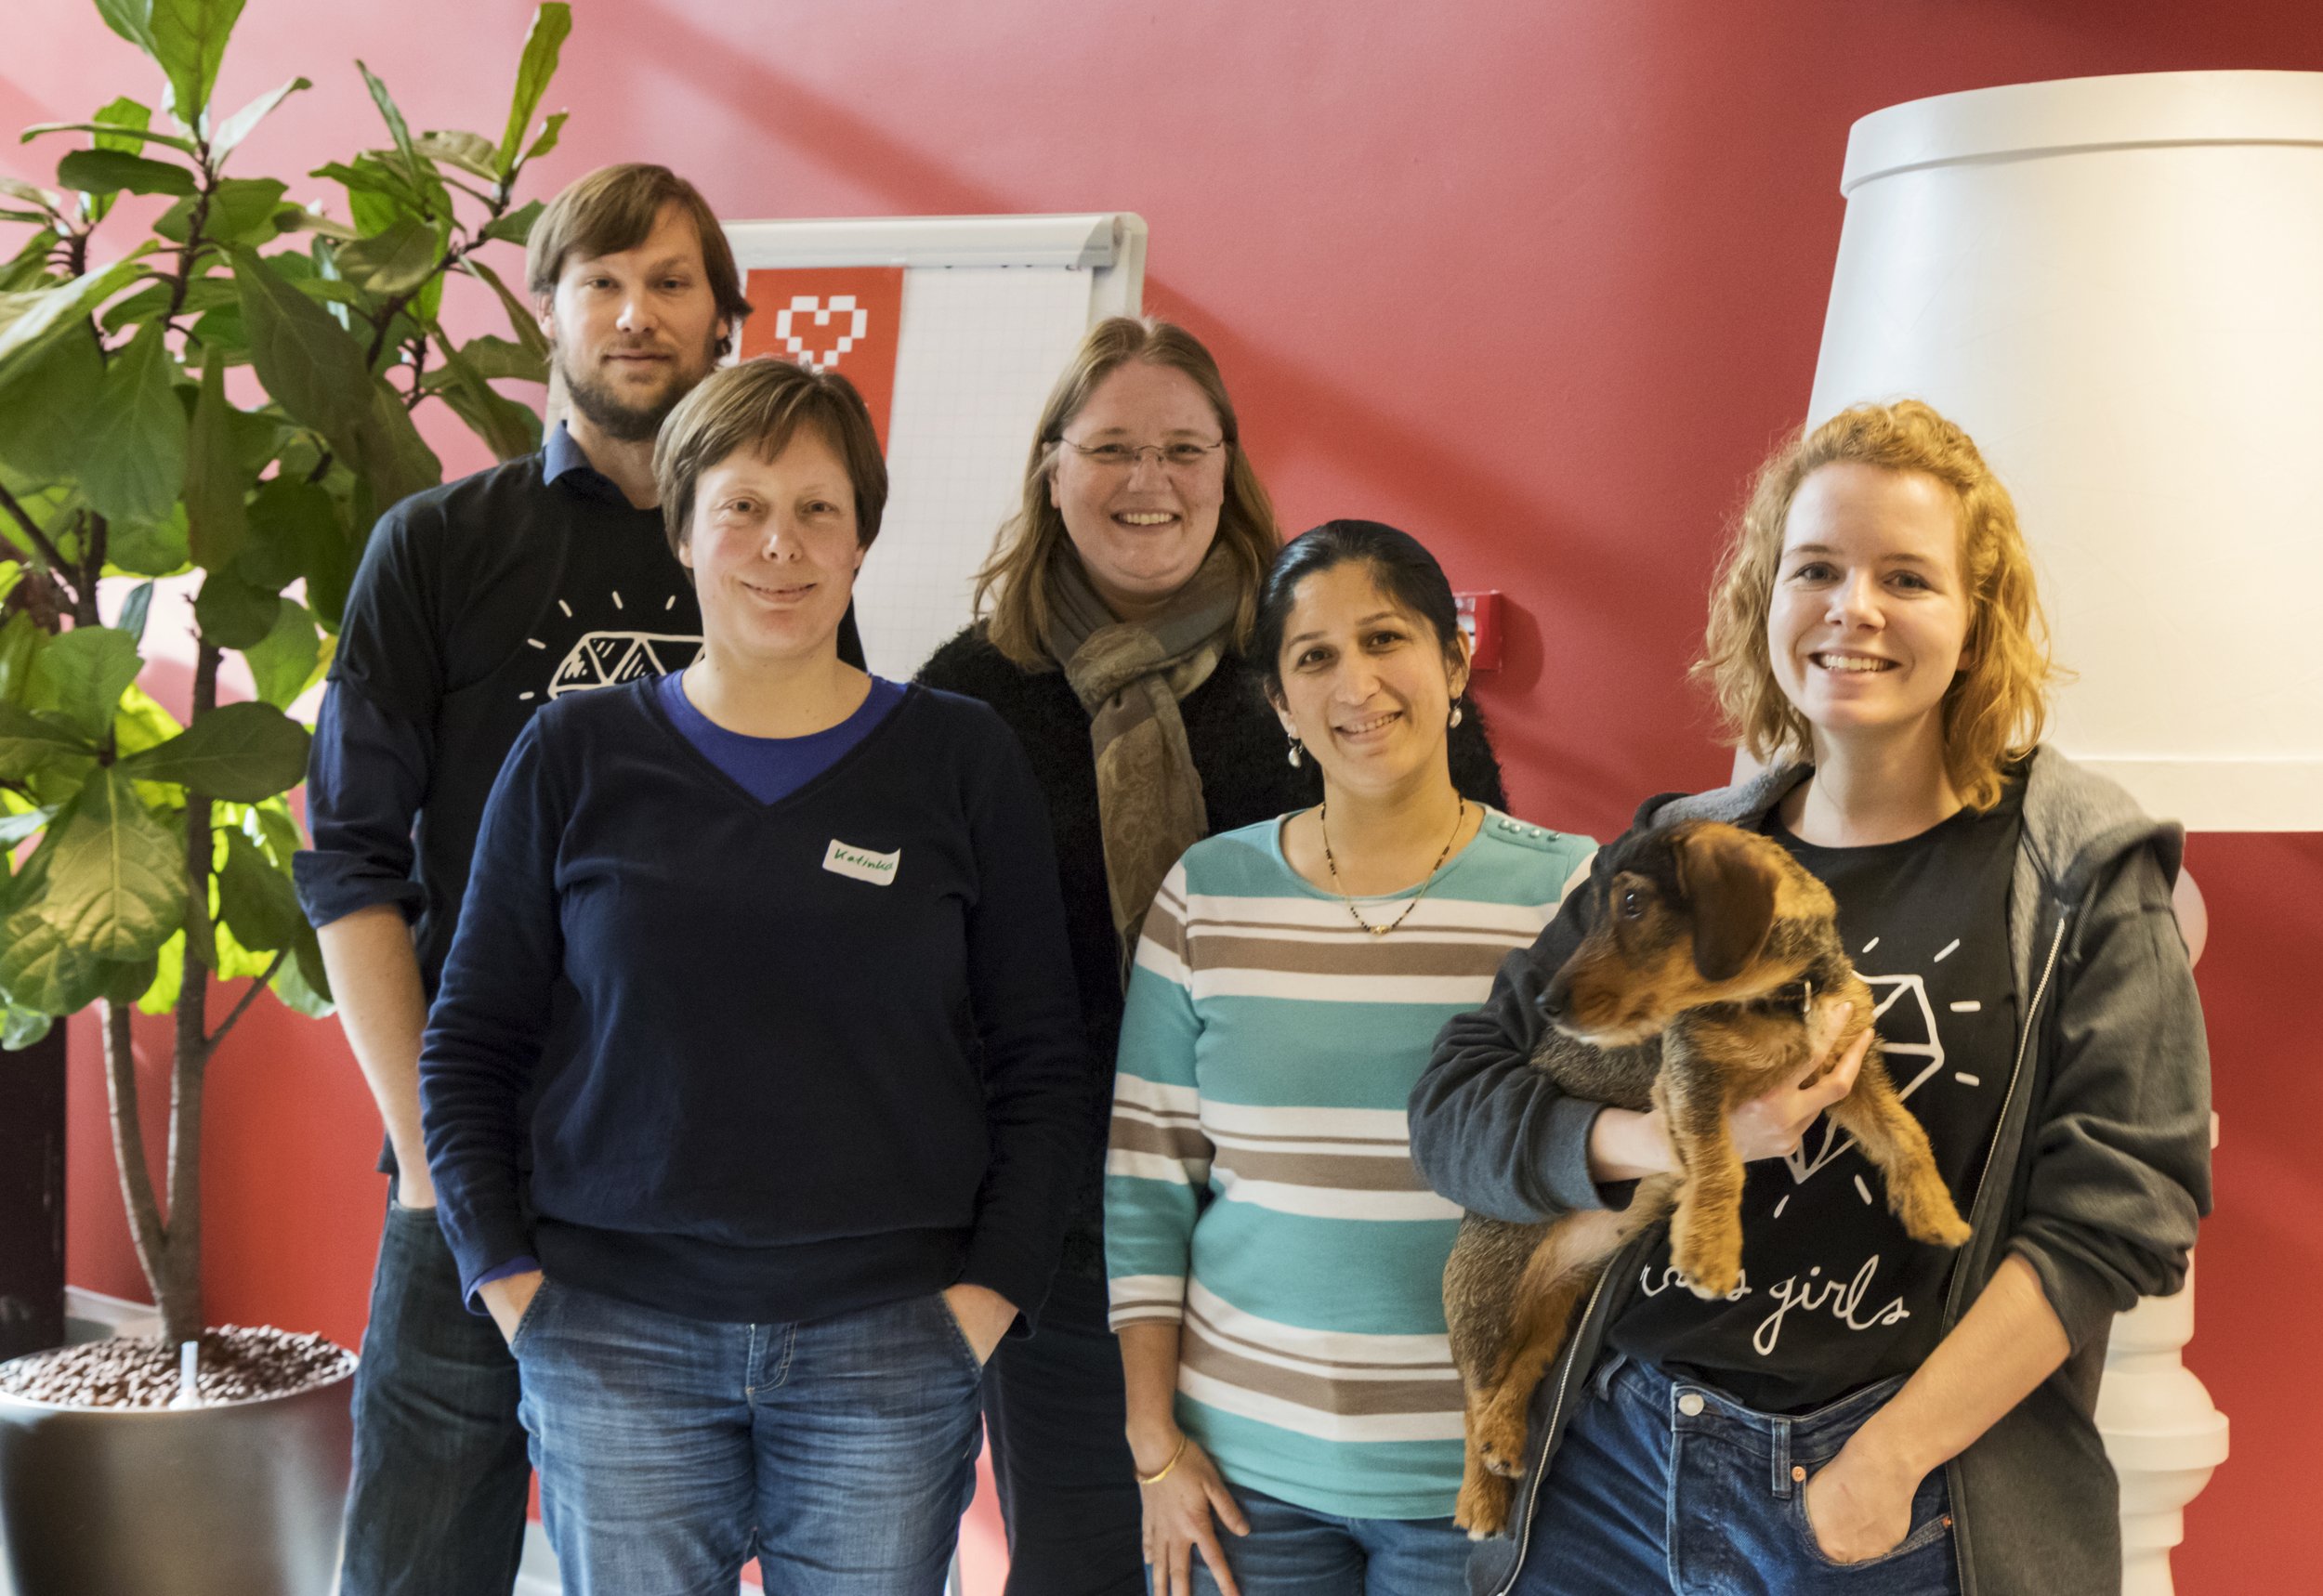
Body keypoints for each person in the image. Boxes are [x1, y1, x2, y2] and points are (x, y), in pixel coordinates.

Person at [1407, 399, 2212, 1596]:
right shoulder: (1678, 853)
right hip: (1614, 1470)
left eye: (1907, 577)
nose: (1854, 609)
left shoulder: (2077, 868)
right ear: (1765, 599)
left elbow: (2122, 1216)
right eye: (1816, 569)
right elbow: (1454, 1105)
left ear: (1974, 615)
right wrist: (1670, 1142)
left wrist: (1885, 1462)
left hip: (1896, 1497)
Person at [415, 356, 1087, 1594]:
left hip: (888, 1343)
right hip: (611, 1336)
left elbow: (1042, 1054)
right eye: (742, 505)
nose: (780, 543)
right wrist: (512, 1288)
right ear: (682, 529)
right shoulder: (573, 752)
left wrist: (987, 1296)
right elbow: (470, 1041)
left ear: (861, 538)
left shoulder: (957, 757)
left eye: (818, 508)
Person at [292, 164, 861, 1596]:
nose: (635, 314)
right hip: (468, 1136)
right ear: (545, 310)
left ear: (726, 318)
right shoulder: (435, 548)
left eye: (672, 282)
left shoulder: (773, 555)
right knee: (423, 1545)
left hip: (686, 1156)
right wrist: (429, 1156)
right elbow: (351, 861)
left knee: (659, 1556)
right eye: (600, 281)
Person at [918, 320, 1508, 1593]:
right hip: (1066, 1250)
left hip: (1318, 1270)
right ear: (1051, 468)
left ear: (1228, 466)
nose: (1151, 479)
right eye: (1114, 447)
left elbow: (1468, 939)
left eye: (1184, 447)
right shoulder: (966, 701)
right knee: (1080, 1568)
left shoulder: (1321, 663)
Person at [1106, 521, 1595, 1596]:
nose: (1356, 681)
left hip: (1477, 1482)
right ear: (1279, 704)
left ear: (1454, 661)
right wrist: (1153, 1445)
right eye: (1314, 656)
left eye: (1385, 638)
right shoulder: (1205, 894)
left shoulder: (1568, 894)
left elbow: (1604, 1178)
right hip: (1239, 1482)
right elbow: (1146, 1192)